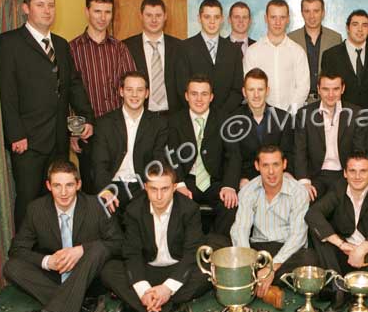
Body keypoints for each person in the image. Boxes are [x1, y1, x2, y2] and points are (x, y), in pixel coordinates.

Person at [0, 0, 95, 228]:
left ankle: (51, 253)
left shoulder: (61, 45)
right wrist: (16, 134)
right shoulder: (9, 43)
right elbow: (7, 94)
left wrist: (85, 120)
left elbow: (72, 86)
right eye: (40, 5)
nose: (47, 11)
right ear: (25, 8)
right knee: (29, 202)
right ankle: (23, 256)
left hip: (58, 140)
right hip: (27, 142)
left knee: (56, 202)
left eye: (51, 5)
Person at [4, 160, 122, 312]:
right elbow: (17, 249)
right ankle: (84, 306)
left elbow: (119, 243)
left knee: (98, 247)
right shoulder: (36, 209)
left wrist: (82, 250)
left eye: (69, 185)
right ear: (48, 186)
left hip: (89, 276)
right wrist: (47, 261)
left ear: (79, 185)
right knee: (11, 267)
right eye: (57, 186)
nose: (64, 192)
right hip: (55, 274)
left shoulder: (97, 206)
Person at [209, 145, 318, 310]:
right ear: (257, 166)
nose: (271, 172)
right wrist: (250, 265)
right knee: (214, 244)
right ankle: (266, 288)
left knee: (309, 259)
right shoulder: (248, 190)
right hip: (258, 250)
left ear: (284, 164)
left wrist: (272, 267)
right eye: (265, 165)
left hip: (285, 250)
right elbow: (241, 229)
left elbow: (298, 236)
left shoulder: (298, 192)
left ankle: (249, 283)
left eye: (275, 164)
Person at [100, 164, 212, 312]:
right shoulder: (134, 210)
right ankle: (169, 309)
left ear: (174, 187)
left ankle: (137, 304)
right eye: (153, 189)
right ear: (145, 187)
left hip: (177, 268)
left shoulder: (189, 209)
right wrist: (144, 290)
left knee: (209, 271)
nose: (159, 196)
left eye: (165, 189)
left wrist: (167, 289)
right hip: (148, 270)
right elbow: (132, 254)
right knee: (109, 270)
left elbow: (191, 253)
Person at [305, 152, 368, 312]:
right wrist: (341, 244)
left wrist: (362, 249)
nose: (357, 176)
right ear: (345, 173)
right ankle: (338, 287)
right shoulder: (338, 187)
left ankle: (360, 284)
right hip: (344, 251)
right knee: (318, 232)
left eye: (363, 171)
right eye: (352, 171)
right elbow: (313, 214)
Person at [70, 0, 137, 194]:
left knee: (120, 187)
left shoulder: (120, 48)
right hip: (88, 132)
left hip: (118, 132)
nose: (102, 17)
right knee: (92, 190)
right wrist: (74, 131)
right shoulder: (72, 49)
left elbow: (133, 88)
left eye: (107, 12)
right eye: (97, 11)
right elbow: (67, 93)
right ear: (87, 11)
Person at [167, 74, 240, 234]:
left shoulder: (224, 119)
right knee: (176, 204)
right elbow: (171, 156)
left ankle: (216, 247)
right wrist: (178, 184)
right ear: (186, 96)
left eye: (204, 94)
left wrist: (229, 186)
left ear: (211, 97)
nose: (199, 99)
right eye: (194, 94)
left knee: (231, 204)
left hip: (215, 182)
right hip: (187, 181)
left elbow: (233, 155)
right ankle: (189, 251)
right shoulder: (174, 121)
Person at [91, 71, 168, 218]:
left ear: (147, 93)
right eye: (129, 90)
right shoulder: (104, 123)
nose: (134, 95)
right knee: (104, 215)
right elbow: (99, 163)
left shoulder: (159, 124)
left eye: (139, 90)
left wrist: (151, 187)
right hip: (112, 184)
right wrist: (105, 190)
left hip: (143, 185)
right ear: (121, 91)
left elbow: (159, 160)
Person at [294, 72, 360, 201]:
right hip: (316, 176)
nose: (331, 94)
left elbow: (359, 150)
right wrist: (304, 182)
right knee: (309, 209)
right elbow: (299, 150)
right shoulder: (305, 114)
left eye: (335, 89)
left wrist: (354, 178)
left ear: (343, 89)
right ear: (318, 89)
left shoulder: (356, 113)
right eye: (325, 89)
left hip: (345, 175)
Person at [176, 0, 243, 116]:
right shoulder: (184, 48)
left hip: (225, 117)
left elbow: (237, 89)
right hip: (194, 117)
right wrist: (200, 111)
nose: (212, 22)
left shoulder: (234, 50)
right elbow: (182, 87)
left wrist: (221, 113)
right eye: (207, 17)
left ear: (222, 19)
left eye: (216, 17)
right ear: (199, 18)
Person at [227, 69, 293, 187]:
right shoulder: (232, 121)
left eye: (260, 89)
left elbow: (288, 153)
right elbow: (232, 157)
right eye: (251, 90)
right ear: (244, 92)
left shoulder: (283, 118)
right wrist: (240, 179)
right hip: (246, 181)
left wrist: (286, 174)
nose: (256, 95)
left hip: (277, 179)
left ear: (267, 91)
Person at [244, 0, 309, 113]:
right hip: (260, 118)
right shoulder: (252, 51)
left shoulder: (298, 51)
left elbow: (303, 88)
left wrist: (288, 114)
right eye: (273, 17)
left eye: (282, 17)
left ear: (288, 19)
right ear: (266, 18)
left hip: (290, 119)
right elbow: (249, 87)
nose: (278, 22)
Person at [123, 0, 183, 115]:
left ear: (165, 16)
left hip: (173, 116)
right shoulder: (126, 47)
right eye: (149, 15)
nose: (154, 20)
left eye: (158, 15)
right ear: (141, 16)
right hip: (141, 116)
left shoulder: (179, 47)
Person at [321, 9, 368, 108]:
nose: (360, 29)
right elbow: (326, 88)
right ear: (347, 28)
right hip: (342, 114)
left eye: (364, 25)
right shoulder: (330, 55)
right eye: (355, 24)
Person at [288, 0, 342, 103]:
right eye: (307, 11)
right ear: (302, 13)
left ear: (323, 13)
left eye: (316, 11)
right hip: (299, 102)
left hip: (327, 101)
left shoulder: (335, 38)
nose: (311, 16)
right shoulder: (290, 38)